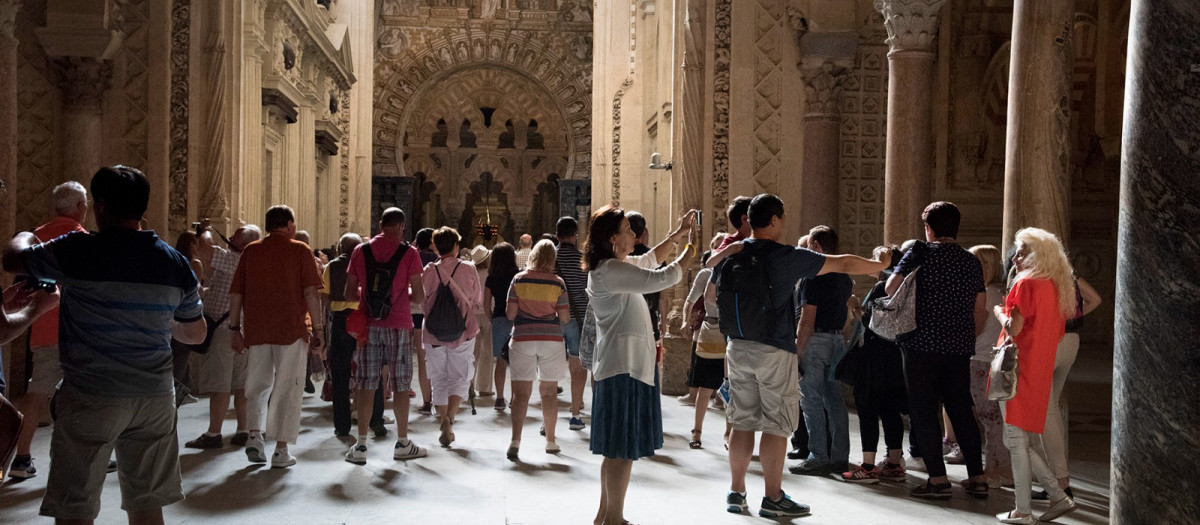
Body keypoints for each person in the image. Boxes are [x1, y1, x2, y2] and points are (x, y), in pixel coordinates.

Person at [3, 165, 207, 523]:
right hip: (154, 396)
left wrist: (24, 234)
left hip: (90, 394)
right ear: (143, 208)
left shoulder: (77, 251)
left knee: (75, 507)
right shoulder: (175, 263)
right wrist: (160, 321)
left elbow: (12, 260)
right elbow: (196, 333)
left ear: (99, 206)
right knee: (147, 506)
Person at [716, 194, 890, 518]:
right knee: (776, 426)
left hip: (738, 346)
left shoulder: (734, 252)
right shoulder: (786, 256)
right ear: (776, 220)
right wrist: (880, 264)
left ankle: (736, 492)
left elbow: (712, 289)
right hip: (774, 349)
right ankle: (773, 497)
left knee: (741, 422)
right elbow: (844, 263)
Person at [585, 205, 696, 525]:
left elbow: (649, 260)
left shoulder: (613, 266)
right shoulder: (611, 271)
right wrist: (691, 249)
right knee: (621, 451)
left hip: (623, 366)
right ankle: (615, 519)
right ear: (612, 238)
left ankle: (605, 515)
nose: (634, 234)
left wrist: (676, 236)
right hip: (624, 368)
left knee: (616, 449)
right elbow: (663, 276)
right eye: (627, 230)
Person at [885, 201, 988, 499]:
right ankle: (977, 477)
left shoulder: (919, 254)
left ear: (928, 229)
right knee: (961, 409)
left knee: (923, 411)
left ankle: (939, 480)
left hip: (920, 346)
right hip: (958, 346)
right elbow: (979, 309)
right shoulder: (970, 261)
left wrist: (907, 259)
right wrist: (966, 336)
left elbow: (891, 288)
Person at [993, 227, 1079, 524]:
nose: (1015, 257)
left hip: (1017, 369)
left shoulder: (1026, 284)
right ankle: (1057, 496)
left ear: (1039, 255)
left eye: (1022, 250)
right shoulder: (1058, 287)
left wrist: (998, 313)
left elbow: (1014, 329)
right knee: (1020, 440)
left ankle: (1023, 511)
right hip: (1038, 369)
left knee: (1016, 442)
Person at [229, 205, 324, 468]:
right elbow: (311, 294)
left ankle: (254, 437)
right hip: (291, 330)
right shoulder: (300, 250)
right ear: (290, 225)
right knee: (287, 388)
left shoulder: (251, 251)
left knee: (257, 385)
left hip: (257, 331)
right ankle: (281, 450)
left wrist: (234, 330)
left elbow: (236, 294)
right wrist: (318, 329)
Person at [9, 181, 87, 480]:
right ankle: (78, 457)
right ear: (80, 207)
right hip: (77, 332)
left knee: (37, 393)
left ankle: (22, 457)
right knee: (81, 397)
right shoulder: (81, 240)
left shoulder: (36, 236)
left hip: (41, 326)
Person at [344, 208, 428, 463]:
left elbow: (348, 294)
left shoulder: (361, 250)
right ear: (402, 227)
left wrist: (369, 295)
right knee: (401, 385)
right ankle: (402, 442)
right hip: (400, 325)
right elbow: (420, 295)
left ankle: (360, 445)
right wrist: (399, 297)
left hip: (370, 325)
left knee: (367, 383)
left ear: (380, 224)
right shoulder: (409, 253)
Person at [184, 224, 262, 450]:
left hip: (225, 329)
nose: (229, 236)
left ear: (245, 242)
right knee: (241, 383)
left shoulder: (234, 258)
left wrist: (206, 229)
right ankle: (243, 430)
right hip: (245, 329)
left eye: (236, 234)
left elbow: (205, 248)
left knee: (220, 383)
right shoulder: (254, 262)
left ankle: (213, 433)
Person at [789, 226, 854, 477]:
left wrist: (797, 352)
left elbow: (807, 319)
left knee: (812, 401)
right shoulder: (844, 276)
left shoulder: (812, 276)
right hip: (836, 341)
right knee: (835, 403)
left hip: (814, 341)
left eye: (808, 246)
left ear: (816, 246)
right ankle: (840, 457)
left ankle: (818, 456)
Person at [841, 246, 910, 484]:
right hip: (893, 357)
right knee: (890, 410)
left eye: (878, 257)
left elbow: (875, 324)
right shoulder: (904, 287)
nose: (872, 261)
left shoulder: (883, 287)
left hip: (875, 358)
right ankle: (894, 462)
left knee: (868, 408)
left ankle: (868, 466)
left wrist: (855, 308)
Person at [1033, 275, 1100, 500]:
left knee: (1046, 414)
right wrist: (1068, 317)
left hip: (1052, 342)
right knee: (1049, 412)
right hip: (1071, 340)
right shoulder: (1068, 274)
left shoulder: (1043, 276)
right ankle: (1057, 479)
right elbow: (1095, 300)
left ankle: (1060, 482)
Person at [504, 239, 571, 459]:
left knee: (520, 394)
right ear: (553, 258)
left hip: (523, 337)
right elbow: (565, 317)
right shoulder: (558, 283)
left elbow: (510, 314)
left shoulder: (518, 279)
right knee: (549, 393)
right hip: (551, 339)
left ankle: (515, 441)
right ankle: (551, 441)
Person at [421, 227, 482, 448]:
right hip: (462, 331)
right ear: (456, 247)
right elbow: (476, 300)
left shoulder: (428, 270)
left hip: (434, 332)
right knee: (460, 376)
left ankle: (442, 417)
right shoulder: (468, 268)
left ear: (436, 247)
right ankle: (450, 419)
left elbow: (422, 297)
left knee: (438, 379)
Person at [320, 232, 384, 440]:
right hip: (364, 319)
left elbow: (325, 297)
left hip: (341, 320)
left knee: (340, 372)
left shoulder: (332, 266)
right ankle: (376, 420)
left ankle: (342, 425)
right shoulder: (369, 263)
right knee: (372, 369)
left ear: (340, 249)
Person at [967, 244, 1013, 487]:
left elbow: (975, 328)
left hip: (981, 360)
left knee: (989, 419)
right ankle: (1002, 469)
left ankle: (993, 471)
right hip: (995, 359)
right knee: (996, 419)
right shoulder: (1002, 290)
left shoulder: (984, 293)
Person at [680, 236, 727, 449]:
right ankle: (696, 432)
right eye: (718, 247)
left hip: (730, 333)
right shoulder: (706, 274)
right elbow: (690, 300)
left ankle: (729, 434)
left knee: (730, 387)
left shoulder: (736, 271)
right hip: (710, 331)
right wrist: (683, 321)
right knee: (705, 387)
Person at [554, 216, 589, 430]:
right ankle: (576, 414)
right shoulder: (583, 260)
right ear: (575, 236)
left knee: (549, 370)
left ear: (557, 235)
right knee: (578, 366)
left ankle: (547, 420)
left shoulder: (548, 259)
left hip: (554, 320)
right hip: (578, 319)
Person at [484, 242, 519, 411]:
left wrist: (493, 319)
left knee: (500, 361)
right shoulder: (518, 275)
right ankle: (514, 398)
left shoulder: (492, 277)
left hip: (498, 318)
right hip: (516, 320)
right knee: (515, 362)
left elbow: (485, 303)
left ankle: (499, 398)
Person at [170, 230, 205, 397]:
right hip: (188, 313)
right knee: (182, 354)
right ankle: (179, 390)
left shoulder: (174, 260)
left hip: (173, 312)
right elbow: (195, 289)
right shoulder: (195, 263)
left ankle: (184, 388)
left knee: (178, 353)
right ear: (192, 244)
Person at [412, 227, 439, 414]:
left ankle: (427, 401)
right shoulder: (439, 261)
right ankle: (440, 399)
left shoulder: (411, 258)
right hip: (435, 314)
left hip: (413, 314)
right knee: (437, 359)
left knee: (422, 360)